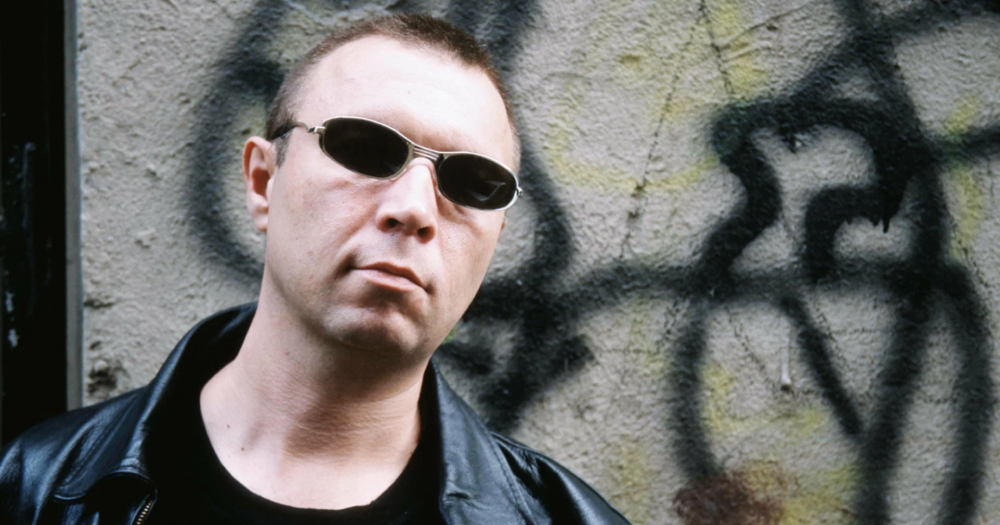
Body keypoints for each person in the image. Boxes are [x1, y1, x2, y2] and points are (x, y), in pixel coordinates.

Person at [0, 14, 630, 525]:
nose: (415, 208)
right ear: (262, 181)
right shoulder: (34, 488)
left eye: (472, 182)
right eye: (366, 148)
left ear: (496, 238)